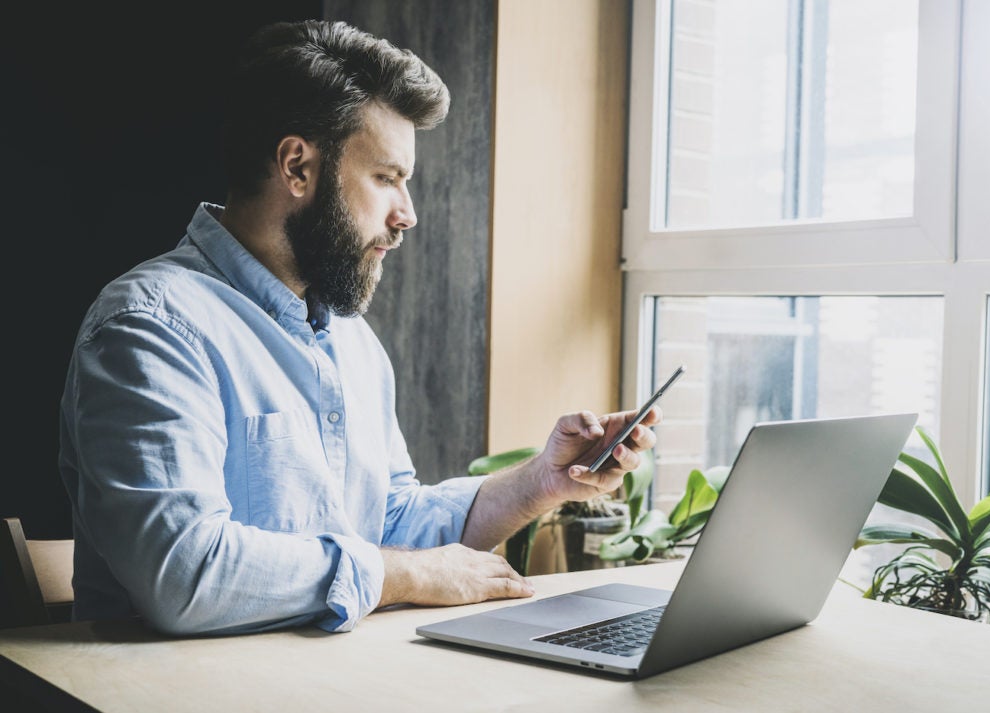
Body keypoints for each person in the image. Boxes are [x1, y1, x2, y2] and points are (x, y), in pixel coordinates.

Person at [57, 19, 659, 636]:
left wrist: (542, 481)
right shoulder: (149, 327)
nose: (408, 215)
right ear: (297, 166)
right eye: (386, 178)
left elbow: (389, 526)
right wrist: (406, 576)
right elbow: (183, 575)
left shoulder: (351, 340)